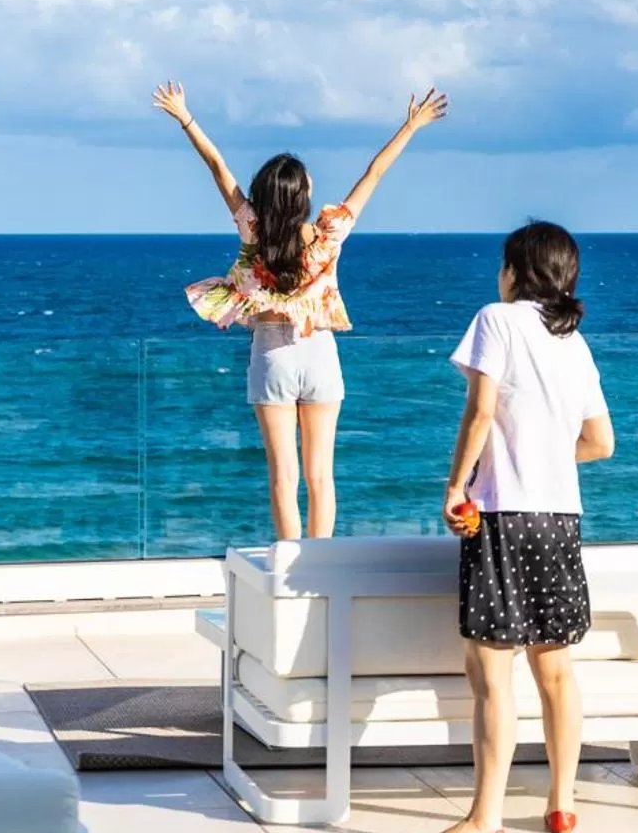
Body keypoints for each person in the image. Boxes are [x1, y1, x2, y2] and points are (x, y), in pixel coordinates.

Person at [156, 81, 449, 540]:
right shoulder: (329, 234)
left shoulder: (253, 231)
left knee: (283, 477)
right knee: (320, 476)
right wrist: (410, 126)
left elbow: (218, 167)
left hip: (272, 357)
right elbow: (373, 175)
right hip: (319, 354)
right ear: (302, 196)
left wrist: (185, 117)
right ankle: (321, 565)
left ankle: (290, 559)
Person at [414, 221, 615, 833]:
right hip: (561, 520)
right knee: (555, 669)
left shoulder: (496, 321)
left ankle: (485, 822)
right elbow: (601, 444)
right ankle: (562, 804)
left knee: (491, 676)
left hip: (503, 517)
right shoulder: (574, 344)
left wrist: (457, 485)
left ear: (516, 271)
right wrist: (544, 454)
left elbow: (479, 411)